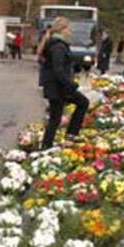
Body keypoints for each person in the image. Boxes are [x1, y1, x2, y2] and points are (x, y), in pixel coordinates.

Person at [40, 17, 90, 149]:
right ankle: (71, 134)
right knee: (83, 103)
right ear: (62, 30)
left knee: (55, 118)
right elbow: (58, 69)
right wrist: (70, 85)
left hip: (56, 87)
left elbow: (63, 63)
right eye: (68, 28)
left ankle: (47, 145)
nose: (70, 31)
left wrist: (77, 65)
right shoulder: (58, 46)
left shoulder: (56, 44)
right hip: (59, 87)